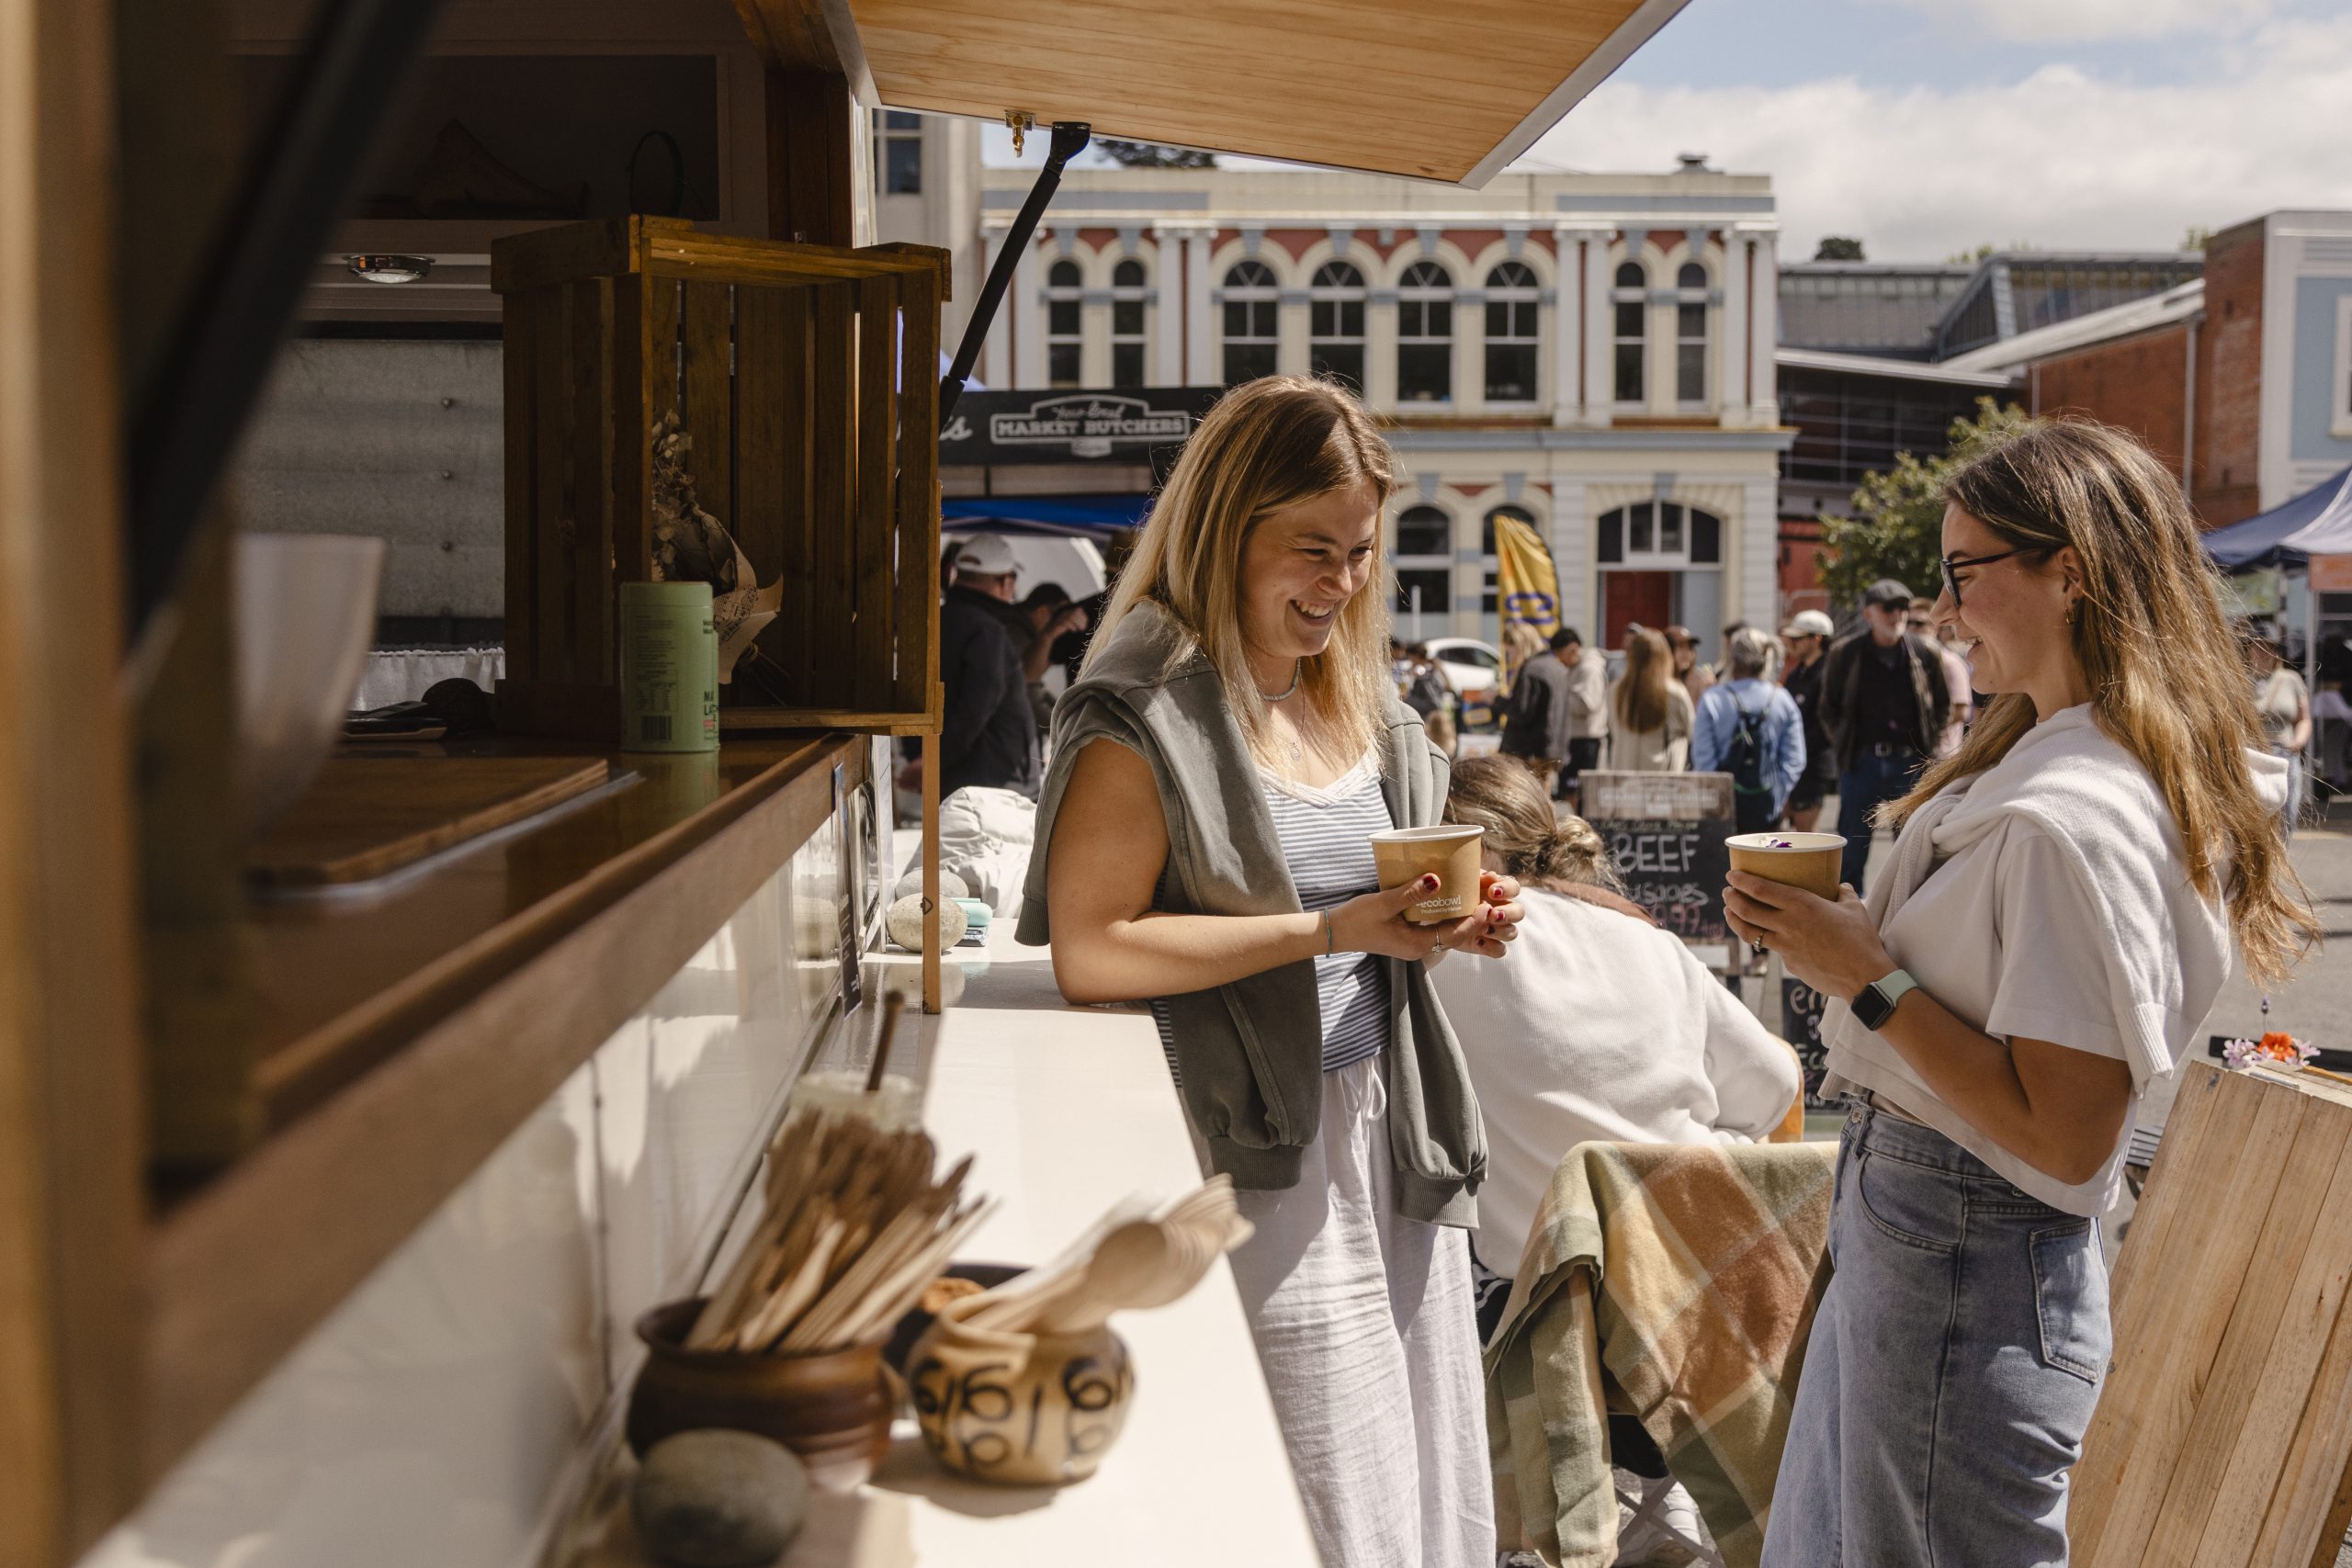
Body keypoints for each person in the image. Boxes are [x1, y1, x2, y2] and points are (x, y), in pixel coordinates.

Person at [1724, 420, 2316, 1568]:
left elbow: (2063, 1130)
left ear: (2071, 572)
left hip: (1963, 1257)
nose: (1945, 613)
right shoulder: (2071, 763)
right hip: (1938, 1251)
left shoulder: (2069, 813)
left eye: (1964, 574)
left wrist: (1866, 973)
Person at [1018, 377, 1524, 1568]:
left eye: (1358, 552)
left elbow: (1367, 916)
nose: (1341, 584)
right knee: (1317, 1508)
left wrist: (1453, 919)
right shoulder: (1145, 705)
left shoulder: (1358, 699)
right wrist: (1336, 929)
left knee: (1408, 1498)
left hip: (1387, 1143)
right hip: (1253, 1166)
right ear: (1223, 525)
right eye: (1312, 549)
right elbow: (1094, 948)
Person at [1818, 578, 1950, 893]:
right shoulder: (1846, 654)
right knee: (1852, 848)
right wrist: (1844, 745)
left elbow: (1942, 706)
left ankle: (1907, 918)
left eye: (1903, 607)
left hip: (1910, 763)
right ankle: (1851, 916)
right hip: (1862, 762)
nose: (1898, 615)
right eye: (1888, 608)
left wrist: (1928, 747)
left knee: (1913, 850)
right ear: (1868, 614)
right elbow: (1828, 708)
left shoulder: (1925, 652)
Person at [938, 533, 1043, 797]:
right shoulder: (987, 629)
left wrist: (932, 760)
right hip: (995, 782)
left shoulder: (941, 620)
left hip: (961, 778)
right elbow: (979, 702)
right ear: (1004, 581)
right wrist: (936, 759)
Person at [1694, 626, 1807, 833]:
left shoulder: (1713, 699)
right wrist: (1778, 793)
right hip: (1767, 807)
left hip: (1724, 812)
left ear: (1732, 658)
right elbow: (1795, 759)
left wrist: (1718, 799)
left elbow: (1703, 760)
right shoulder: (1782, 699)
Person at [1605, 626, 1694, 773]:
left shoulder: (1616, 690)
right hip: (1662, 778)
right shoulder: (1674, 692)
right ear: (1665, 657)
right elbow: (1691, 732)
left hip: (1623, 775)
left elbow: (1613, 729)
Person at [1779, 609, 1838, 830]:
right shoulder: (1797, 673)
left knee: (1804, 835)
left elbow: (1828, 724)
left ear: (1817, 638)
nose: (1792, 643)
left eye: (1798, 638)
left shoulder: (1830, 673)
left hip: (1814, 764)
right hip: (1791, 762)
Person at [2249, 631, 2312, 837]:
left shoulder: (2290, 679)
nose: (2263, 652)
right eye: (2258, 647)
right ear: (2249, 650)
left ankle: (2280, 861)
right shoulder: (2240, 679)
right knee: (2256, 817)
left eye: (2269, 648)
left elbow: (2304, 718)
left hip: (2284, 752)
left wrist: (2298, 742)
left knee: (2287, 816)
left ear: (2277, 652)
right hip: (2254, 754)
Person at [1498, 625, 1573, 793]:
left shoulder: (1531, 670)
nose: (1509, 654)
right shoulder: (1556, 666)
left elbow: (1522, 712)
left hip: (1528, 750)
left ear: (1520, 645)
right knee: (1542, 796)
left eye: (1510, 649)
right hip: (1551, 748)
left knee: (1527, 798)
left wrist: (1497, 700)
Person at [1019, 581, 1092, 733]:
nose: (1067, 628)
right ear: (1042, 612)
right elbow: (1029, 691)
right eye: (1061, 618)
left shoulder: (1024, 636)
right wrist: (1063, 730)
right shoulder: (1020, 639)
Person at [1911, 595, 1975, 757]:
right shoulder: (1907, 663)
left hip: (1941, 756)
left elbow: (1962, 711)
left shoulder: (1949, 662)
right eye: (1908, 623)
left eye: (1919, 624)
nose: (1911, 628)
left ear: (1935, 628)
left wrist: (1924, 723)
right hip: (1913, 755)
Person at [1558, 627, 1609, 802]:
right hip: (1573, 739)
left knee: (1583, 794)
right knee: (1569, 790)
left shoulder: (1590, 670)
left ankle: (1583, 827)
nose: (1560, 660)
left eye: (1561, 654)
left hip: (1587, 741)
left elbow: (1589, 705)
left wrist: (1562, 696)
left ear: (1573, 649)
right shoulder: (1572, 668)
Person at [1665, 624, 1713, 705]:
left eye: (1689, 647)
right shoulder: (1657, 678)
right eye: (1680, 647)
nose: (1686, 653)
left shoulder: (1700, 679)